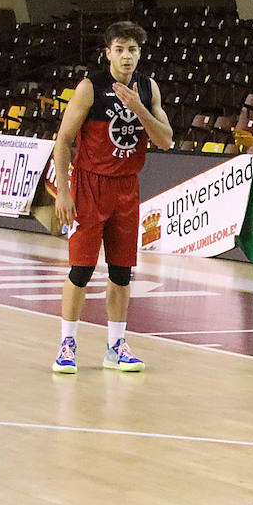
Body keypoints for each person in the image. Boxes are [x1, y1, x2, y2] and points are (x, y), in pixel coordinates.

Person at [50, 21, 173, 374]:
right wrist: (63, 190)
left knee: (122, 273)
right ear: (108, 53)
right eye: (119, 49)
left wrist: (140, 109)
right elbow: (63, 141)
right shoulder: (91, 87)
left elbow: (165, 139)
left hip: (125, 189)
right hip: (90, 187)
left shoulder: (148, 89)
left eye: (132, 50)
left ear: (140, 54)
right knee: (81, 270)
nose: (126, 56)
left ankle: (115, 346)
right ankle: (67, 344)